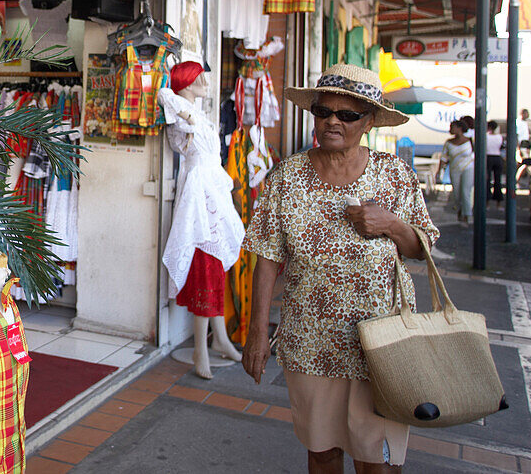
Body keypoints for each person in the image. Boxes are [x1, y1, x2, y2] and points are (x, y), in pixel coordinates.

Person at [242, 64, 439, 473]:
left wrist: (391, 224)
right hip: (311, 342)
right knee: (322, 451)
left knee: (377, 461)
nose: (333, 120)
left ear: (368, 122)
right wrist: (257, 333)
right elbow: (267, 257)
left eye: (347, 114)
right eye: (323, 111)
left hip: (382, 344)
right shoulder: (288, 178)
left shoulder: (395, 176)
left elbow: (422, 247)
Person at [157, 62, 245, 379]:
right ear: (187, 81)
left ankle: (218, 338)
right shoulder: (181, 113)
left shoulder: (197, 115)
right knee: (207, 266)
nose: (206, 82)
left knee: (217, 265)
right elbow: (164, 93)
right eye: (199, 78)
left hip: (213, 192)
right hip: (199, 196)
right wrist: (188, 112)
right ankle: (200, 347)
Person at [440, 119, 475, 223]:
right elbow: (444, 157)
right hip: (454, 169)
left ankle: (467, 214)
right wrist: (440, 170)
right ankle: (460, 210)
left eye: (452, 127)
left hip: (468, 168)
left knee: (466, 191)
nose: (450, 129)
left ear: (459, 128)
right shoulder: (448, 142)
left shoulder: (469, 141)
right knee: (457, 192)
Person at [486, 120, 505, 205]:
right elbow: (501, 147)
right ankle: (498, 202)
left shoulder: (486, 137)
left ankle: (487, 201)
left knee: (487, 180)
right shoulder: (500, 137)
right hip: (497, 157)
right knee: (498, 180)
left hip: (488, 157)